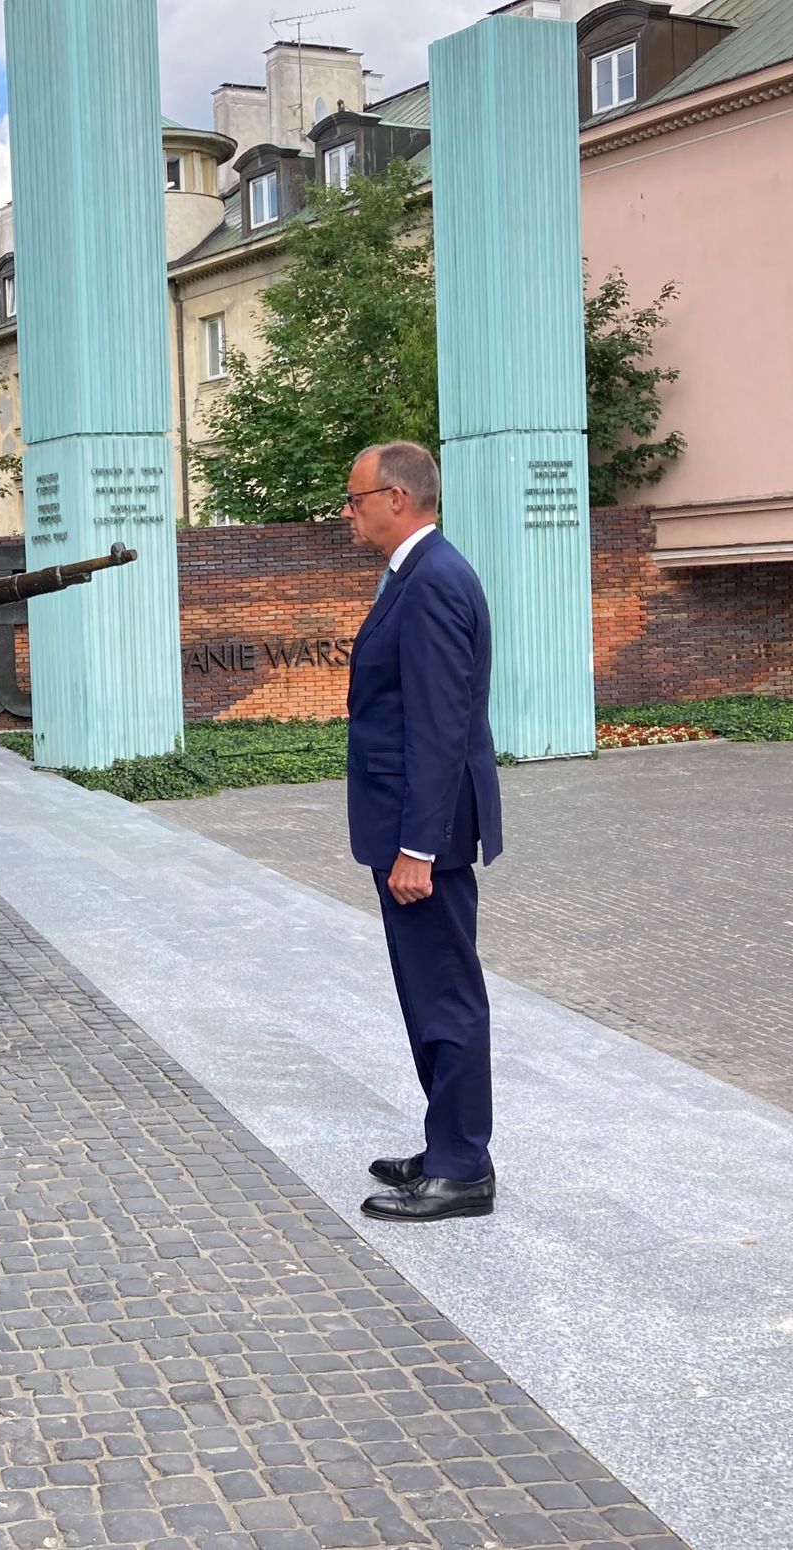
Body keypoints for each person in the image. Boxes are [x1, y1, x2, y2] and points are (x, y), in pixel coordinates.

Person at [342, 441, 503, 1223]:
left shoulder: (433, 581)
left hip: (421, 833)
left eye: (355, 498)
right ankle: (448, 1143)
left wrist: (418, 847)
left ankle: (464, 1168)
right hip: (408, 822)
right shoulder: (417, 574)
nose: (347, 511)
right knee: (428, 990)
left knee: (446, 992)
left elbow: (439, 729)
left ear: (397, 497)